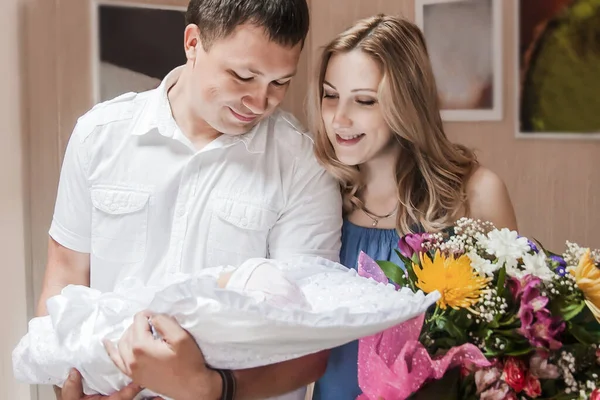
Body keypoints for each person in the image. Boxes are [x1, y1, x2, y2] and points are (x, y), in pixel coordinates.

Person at [37, 1, 344, 399]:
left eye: (279, 83)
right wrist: (71, 386)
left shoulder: (303, 164)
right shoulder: (98, 137)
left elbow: (310, 346)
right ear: (193, 42)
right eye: (243, 76)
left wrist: (210, 389)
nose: (260, 102)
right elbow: (64, 281)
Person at [307, 14, 518, 399]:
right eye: (330, 94)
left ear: (408, 103)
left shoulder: (478, 194)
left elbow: (508, 348)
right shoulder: (321, 192)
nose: (339, 118)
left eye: (365, 101)